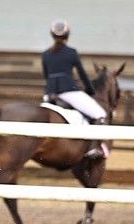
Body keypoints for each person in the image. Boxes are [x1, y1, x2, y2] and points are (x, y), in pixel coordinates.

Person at [42, 20, 108, 159]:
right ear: (67, 36)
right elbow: (82, 74)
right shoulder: (71, 53)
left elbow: (47, 76)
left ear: (52, 35)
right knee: (99, 114)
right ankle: (93, 148)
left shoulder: (46, 54)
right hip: (68, 91)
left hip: (49, 95)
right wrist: (90, 90)